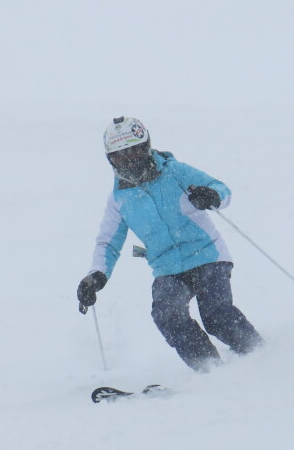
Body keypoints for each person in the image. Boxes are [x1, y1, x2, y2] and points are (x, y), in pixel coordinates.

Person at [77, 117, 264, 372]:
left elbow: (221, 189)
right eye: (120, 156)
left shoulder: (175, 172)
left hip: (208, 255)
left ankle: (260, 356)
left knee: (216, 315)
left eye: (133, 151)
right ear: (111, 159)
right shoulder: (119, 200)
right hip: (168, 269)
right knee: (167, 315)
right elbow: (107, 244)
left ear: (146, 147)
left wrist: (211, 195)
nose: (128, 161)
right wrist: (96, 276)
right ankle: (211, 372)